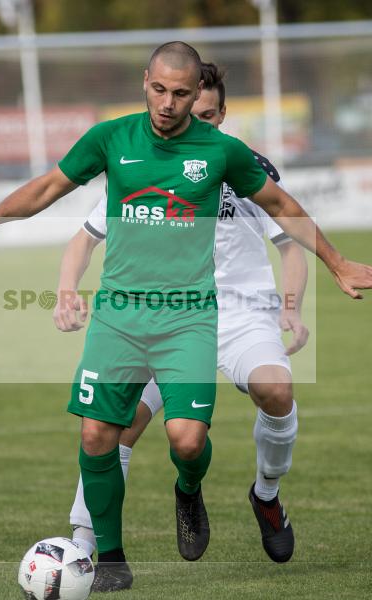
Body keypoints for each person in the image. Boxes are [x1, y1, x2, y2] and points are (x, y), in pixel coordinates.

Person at [0, 41, 372, 592]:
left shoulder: (222, 153)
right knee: (99, 432)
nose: (168, 103)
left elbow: (283, 210)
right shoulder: (112, 139)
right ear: (145, 81)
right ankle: (106, 556)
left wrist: (336, 264)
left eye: (182, 94)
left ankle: (194, 488)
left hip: (193, 316)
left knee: (188, 441)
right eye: (160, 89)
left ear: (199, 98)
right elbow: (51, 186)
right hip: (120, 315)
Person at [59, 62, 308, 568]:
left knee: (277, 392)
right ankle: (84, 545)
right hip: (164, 313)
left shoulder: (244, 165)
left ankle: (266, 495)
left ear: (220, 111)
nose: (199, 122)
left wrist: (291, 307)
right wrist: (68, 289)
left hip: (238, 315)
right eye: (192, 112)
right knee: (111, 428)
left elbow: (292, 242)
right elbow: (85, 238)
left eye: (210, 114)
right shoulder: (146, 160)